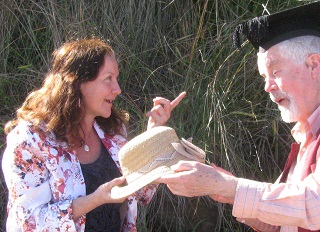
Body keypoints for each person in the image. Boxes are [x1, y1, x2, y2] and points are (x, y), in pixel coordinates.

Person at [157, 2, 320, 231]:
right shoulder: (308, 135)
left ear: (313, 65)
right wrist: (220, 188)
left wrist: (230, 187)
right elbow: (285, 224)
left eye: (275, 72)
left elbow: (319, 205)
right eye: (264, 77)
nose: (267, 87)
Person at [1, 38, 186, 232]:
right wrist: (94, 200)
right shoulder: (30, 141)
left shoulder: (112, 132)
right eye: (108, 79)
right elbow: (27, 222)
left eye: (116, 78)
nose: (117, 89)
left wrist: (153, 134)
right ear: (77, 82)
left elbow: (140, 193)